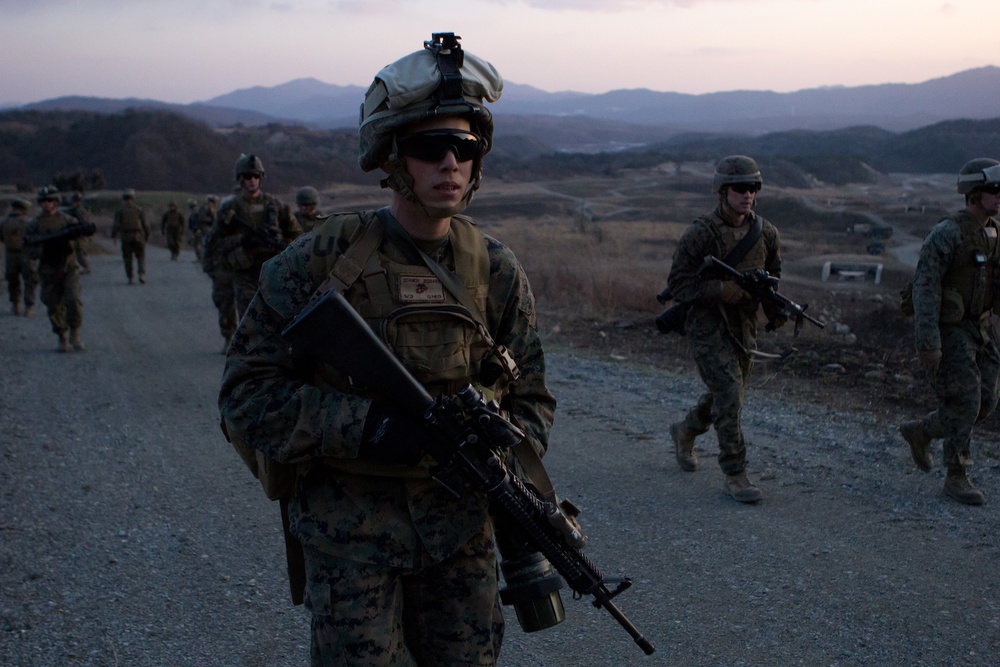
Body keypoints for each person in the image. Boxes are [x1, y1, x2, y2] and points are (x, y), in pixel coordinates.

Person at [218, 32, 555, 665]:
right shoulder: (322, 259)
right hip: (349, 542)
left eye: (465, 147)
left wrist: (494, 433)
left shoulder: (496, 269)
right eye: (431, 147)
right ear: (393, 158)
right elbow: (245, 395)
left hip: (460, 537)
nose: (450, 163)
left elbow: (533, 395)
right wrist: (370, 428)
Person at [666, 155, 782, 503]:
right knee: (729, 393)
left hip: (743, 326)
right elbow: (678, 284)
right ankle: (736, 474)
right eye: (740, 188)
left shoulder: (767, 233)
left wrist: (774, 311)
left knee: (727, 394)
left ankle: (685, 430)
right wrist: (719, 290)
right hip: (707, 323)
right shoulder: (701, 233)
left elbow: (771, 281)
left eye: (753, 188)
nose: (748, 195)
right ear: (722, 191)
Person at [899, 158, 1000, 506]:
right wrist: (928, 343)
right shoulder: (948, 234)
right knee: (966, 399)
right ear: (973, 194)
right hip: (950, 329)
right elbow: (925, 289)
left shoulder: (995, 232)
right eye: (993, 191)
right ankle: (957, 475)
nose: (999, 197)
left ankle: (922, 431)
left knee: (986, 401)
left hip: (982, 328)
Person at [204, 154, 301, 324]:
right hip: (245, 274)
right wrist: (242, 240)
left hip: (274, 273)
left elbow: (298, 235)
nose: (252, 180)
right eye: (248, 176)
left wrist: (284, 245)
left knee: (279, 324)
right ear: (240, 179)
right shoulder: (230, 210)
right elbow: (216, 243)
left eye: (256, 176)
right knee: (250, 326)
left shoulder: (275, 206)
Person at [24, 186, 94, 351]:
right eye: (44, 201)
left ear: (56, 202)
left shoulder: (68, 221)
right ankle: (62, 336)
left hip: (69, 267)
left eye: (50, 201)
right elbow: (28, 249)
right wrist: (44, 250)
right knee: (53, 305)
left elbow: (81, 240)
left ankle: (75, 334)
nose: (47, 204)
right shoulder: (34, 225)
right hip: (48, 269)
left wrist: (69, 245)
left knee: (74, 300)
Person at [1, 197, 39, 317]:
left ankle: (15, 305)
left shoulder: (4, 222)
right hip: (26, 253)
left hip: (10, 254)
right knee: (30, 280)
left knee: (12, 280)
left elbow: (2, 237)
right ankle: (29, 307)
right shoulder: (29, 222)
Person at [110, 189, 150, 284]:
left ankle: (130, 277)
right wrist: (147, 235)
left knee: (127, 257)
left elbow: (116, 224)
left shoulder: (120, 210)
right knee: (140, 256)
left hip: (125, 236)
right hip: (138, 235)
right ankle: (141, 274)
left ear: (124, 198)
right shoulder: (138, 209)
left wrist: (113, 235)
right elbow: (146, 224)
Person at [65, 191, 92, 274]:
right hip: (79, 233)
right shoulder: (78, 209)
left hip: (81, 234)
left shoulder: (80, 210)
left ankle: (86, 267)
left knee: (81, 252)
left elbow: (83, 222)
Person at [189, 195, 217, 265]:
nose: (213, 203)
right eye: (212, 202)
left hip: (210, 229)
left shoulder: (212, 209)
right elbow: (201, 218)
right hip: (202, 229)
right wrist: (211, 220)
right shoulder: (204, 208)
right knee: (201, 243)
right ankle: (201, 258)